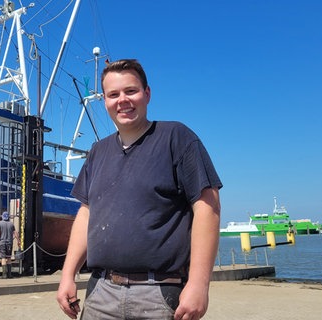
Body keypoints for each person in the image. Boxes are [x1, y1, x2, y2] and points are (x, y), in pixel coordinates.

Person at [56, 59, 222, 320]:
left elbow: (207, 208)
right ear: (105, 102)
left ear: (147, 94)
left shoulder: (177, 138)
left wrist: (200, 284)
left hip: (159, 294)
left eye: (130, 91)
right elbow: (86, 215)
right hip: (100, 291)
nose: (122, 100)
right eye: (113, 94)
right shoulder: (97, 152)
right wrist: (68, 275)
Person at [0, 211, 20, 279]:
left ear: (2, 217)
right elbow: (15, 233)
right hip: (9, 243)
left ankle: (4, 275)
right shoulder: (11, 224)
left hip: (2, 243)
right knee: (9, 258)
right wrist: (18, 241)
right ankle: (9, 274)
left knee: (3, 258)